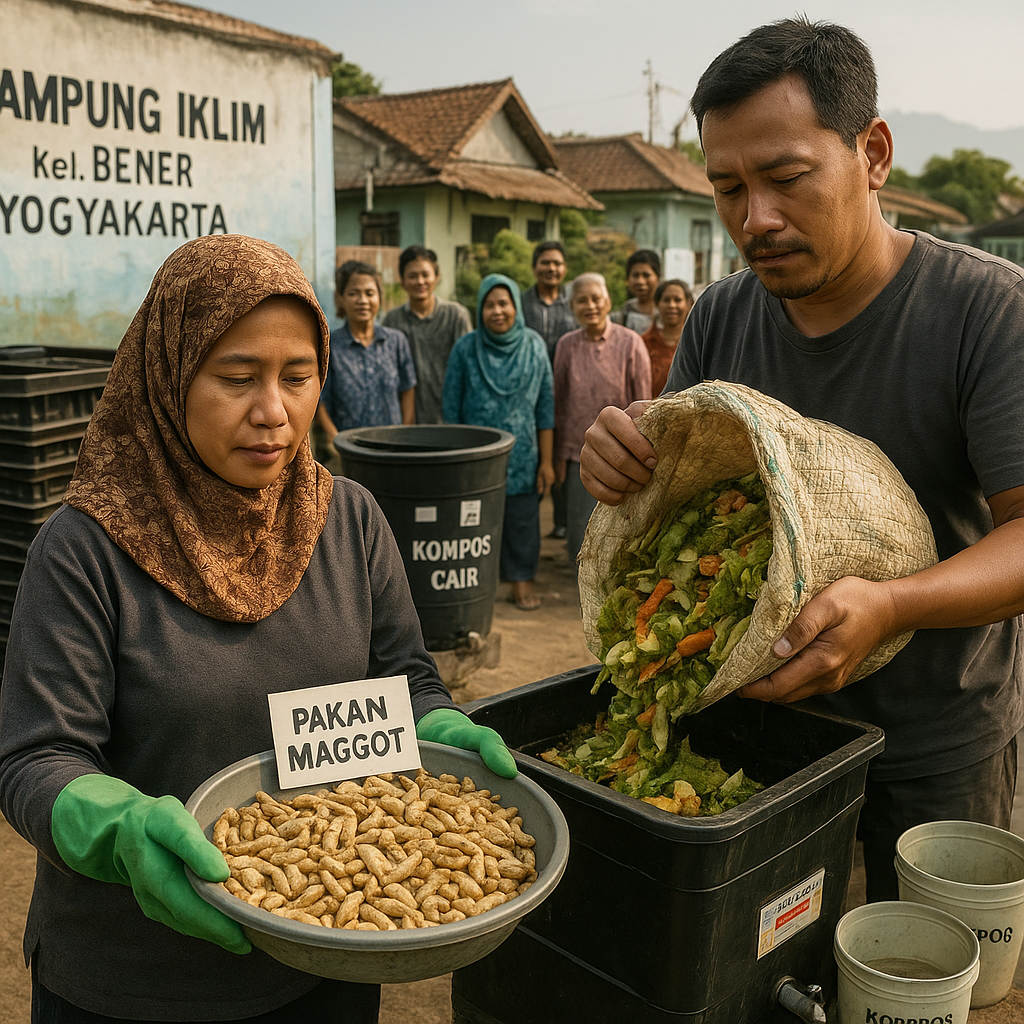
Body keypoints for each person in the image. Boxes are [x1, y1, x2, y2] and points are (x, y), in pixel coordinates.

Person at [0, 234, 517, 1023]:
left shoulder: (349, 521)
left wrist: (436, 720)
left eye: (298, 377)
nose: (274, 413)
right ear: (169, 376)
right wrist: (115, 827)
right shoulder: (84, 549)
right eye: (237, 378)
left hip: (325, 956)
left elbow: (404, 677)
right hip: (134, 979)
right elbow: (36, 757)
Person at [579, 17, 1024, 903]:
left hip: (934, 743)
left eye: (786, 178)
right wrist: (619, 457)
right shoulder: (719, 317)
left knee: (922, 978)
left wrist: (889, 605)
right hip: (758, 730)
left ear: (874, 154)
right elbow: (683, 497)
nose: (757, 218)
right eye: (728, 187)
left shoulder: (986, 311)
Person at [443, 274, 555, 611]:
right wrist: (455, 459)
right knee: (474, 524)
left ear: (516, 307)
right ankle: (477, 586)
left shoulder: (534, 345)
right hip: (474, 459)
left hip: (523, 457)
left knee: (522, 523)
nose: (497, 311)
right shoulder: (466, 348)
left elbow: (546, 407)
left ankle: (521, 582)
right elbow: (451, 407)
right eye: (489, 304)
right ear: (480, 309)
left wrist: (546, 462)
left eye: (503, 303)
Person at [554, 272, 651, 572]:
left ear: (608, 301)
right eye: (582, 300)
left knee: (621, 533)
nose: (590, 305)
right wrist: (558, 456)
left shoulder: (631, 343)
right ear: (572, 308)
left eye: (596, 298)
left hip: (623, 454)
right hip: (576, 455)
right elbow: (560, 402)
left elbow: (645, 405)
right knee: (580, 536)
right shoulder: (566, 345)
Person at [316, 259, 416, 440]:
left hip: (393, 445)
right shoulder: (329, 345)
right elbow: (320, 400)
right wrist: (336, 439)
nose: (363, 301)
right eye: (353, 293)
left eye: (370, 293)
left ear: (379, 297)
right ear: (340, 298)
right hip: (350, 448)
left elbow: (407, 390)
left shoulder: (396, 341)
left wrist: (404, 434)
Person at [520, 240, 576, 542]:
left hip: (568, 390)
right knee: (539, 452)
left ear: (565, 269)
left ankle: (563, 519)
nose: (551, 268)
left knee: (563, 454)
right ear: (534, 267)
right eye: (545, 263)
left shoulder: (572, 304)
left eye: (557, 263)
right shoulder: (520, 302)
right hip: (530, 391)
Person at [382, 245, 472, 425]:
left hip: (451, 418)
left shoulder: (456, 315)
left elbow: (468, 368)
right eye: (412, 276)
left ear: (436, 277)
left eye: (425, 275)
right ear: (403, 281)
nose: (420, 281)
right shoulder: (393, 321)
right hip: (408, 419)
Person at [642, 278, 694, 396]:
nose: (672, 305)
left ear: (688, 304)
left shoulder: (696, 345)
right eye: (666, 300)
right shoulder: (643, 344)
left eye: (677, 300)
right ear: (657, 304)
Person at [611, 249, 661, 334]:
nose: (640, 281)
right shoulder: (622, 316)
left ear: (658, 277)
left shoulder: (667, 311)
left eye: (646, 275)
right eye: (635, 275)